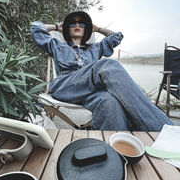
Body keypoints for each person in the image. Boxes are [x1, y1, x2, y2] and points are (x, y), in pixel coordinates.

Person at [30, 11, 174, 131]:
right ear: (67, 28)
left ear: (87, 28)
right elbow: (35, 27)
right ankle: (165, 133)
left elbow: (117, 37)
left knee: (109, 101)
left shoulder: (95, 48)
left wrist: (98, 29)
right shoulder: (57, 45)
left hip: (90, 92)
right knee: (107, 65)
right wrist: (57, 26)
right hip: (65, 86)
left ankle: (119, 150)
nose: (77, 25)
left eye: (82, 23)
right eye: (72, 23)